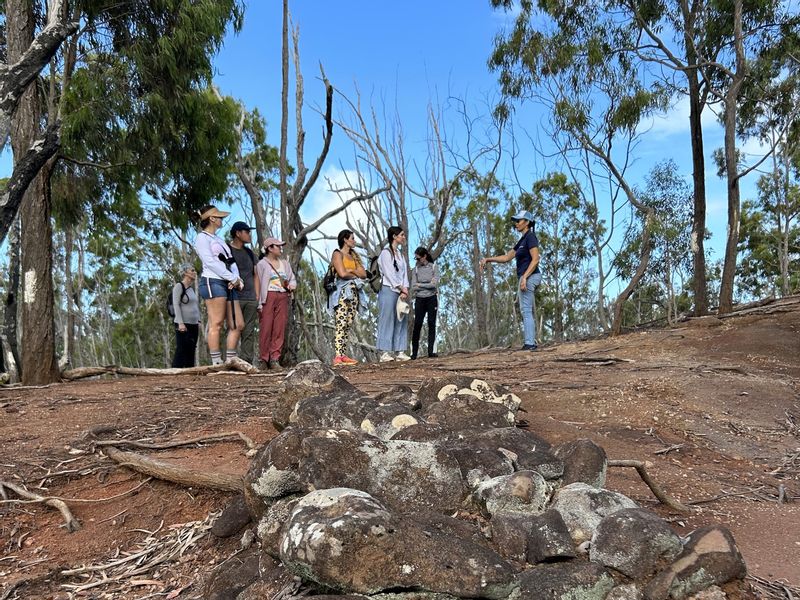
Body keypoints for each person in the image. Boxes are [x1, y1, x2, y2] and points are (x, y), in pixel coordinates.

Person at [479, 209, 542, 350]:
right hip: (525, 277)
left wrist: (525, 277)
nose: (516, 224)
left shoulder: (531, 237)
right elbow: (507, 257)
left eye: (518, 221)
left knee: (526, 310)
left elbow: (536, 259)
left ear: (527, 223)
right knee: (525, 310)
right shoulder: (522, 240)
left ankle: (530, 344)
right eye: (516, 221)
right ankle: (530, 342)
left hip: (530, 276)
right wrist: (488, 259)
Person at [193, 205, 244, 365]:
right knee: (216, 323)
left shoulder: (220, 240)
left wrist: (237, 279)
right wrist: (230, 277)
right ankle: (216, 362)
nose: (222, 220)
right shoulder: (202, 238)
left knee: (237, 324)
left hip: (229, 282)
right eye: (219, 217)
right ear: (212, 219)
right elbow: (209, 261)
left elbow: (231, 261)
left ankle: (230, 360)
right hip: (213, 281)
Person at [328, 229, 368, 367]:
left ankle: (343, 355)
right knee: (341, 322)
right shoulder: (337, 254)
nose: (354, 240)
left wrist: (352, 271)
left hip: (354, 292)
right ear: (345, 239)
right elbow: (342, 273)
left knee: (348, 323)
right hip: (341, 293)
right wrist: (352, 273)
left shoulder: (354, 256)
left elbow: (363, 274)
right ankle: (338, 356)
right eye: (352, 238)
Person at [255, 237, 296, 369]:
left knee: (279, 328)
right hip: (268, 296)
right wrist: (259, 302)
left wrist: (292, 285)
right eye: (278, 246)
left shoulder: (285, 263)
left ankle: (274, 359)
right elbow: (259, 283)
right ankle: (263, 359)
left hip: (283, 296)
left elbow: (292, 279)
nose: (280, 248)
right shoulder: (262, 264)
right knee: (266, 328)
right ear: (270, 248)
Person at [377, 225, 411, 362]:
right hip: (388, 289)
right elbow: (389, 273)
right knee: (387, 319)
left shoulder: (400, 255)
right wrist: (400, 287)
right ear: (394, 236)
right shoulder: (386, 253)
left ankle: (400, 351)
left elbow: (404, 273)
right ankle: (385, 352)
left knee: (401, 318)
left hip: (401, 291)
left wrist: (405, 289)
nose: (403, 237)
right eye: (401, 235)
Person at [228, 222, 261, 365]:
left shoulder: (250, 253)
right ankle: (230, 361)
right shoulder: (227, 250)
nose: (249, 235)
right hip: (233, 297)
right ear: (237, 233)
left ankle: (246, 361)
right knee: (234, 328)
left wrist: (257, 295)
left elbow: (256, 275)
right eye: (246, 232)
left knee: (249, 331)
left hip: (250, 297)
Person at [410, 247, 439, 359]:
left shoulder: (434, 267)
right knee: (417, 324)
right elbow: (413, 286)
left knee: (431, 323)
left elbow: (434, 285)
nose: (417, 261)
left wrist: (420, 285)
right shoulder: (415, 270)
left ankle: (431, 352)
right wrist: (427, 284)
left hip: (432, 299)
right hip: (420, 299)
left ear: (424, 256)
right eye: (416, 259)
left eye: (418, 258)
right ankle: (414, 353)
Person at [171, 263, 200, 368]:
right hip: (183, 324)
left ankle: (189, 371)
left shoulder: (191, 289)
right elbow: (176, 304)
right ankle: (175, 371)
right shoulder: (179, 286)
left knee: (191, 349)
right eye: (192, 270)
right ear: (185, 272)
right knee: (181, 349)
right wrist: (180, 323)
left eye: (194, 270)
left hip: (194, 324)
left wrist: (199, 320)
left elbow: (195, 305)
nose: (194, 272)